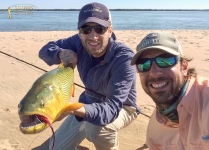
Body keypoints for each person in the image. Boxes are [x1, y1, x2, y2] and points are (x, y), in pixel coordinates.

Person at [39, 2, 140, 150]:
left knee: (96, 129)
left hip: (123, 108)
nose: (93, 36)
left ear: (110, 31)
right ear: (80, 32)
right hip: (89, 101)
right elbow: (45, 50)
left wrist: (71, 109)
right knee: (53, 148)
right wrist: (60, 53)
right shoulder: (78, 41)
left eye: (100, 29)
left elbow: (112, 109)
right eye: (86, 29)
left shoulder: (124, 58)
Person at [131, 32, 209, 149]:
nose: (154, 73)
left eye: (165, 61)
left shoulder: (207, 102)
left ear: (183, 67)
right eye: (144, 64)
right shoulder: (155, 131)